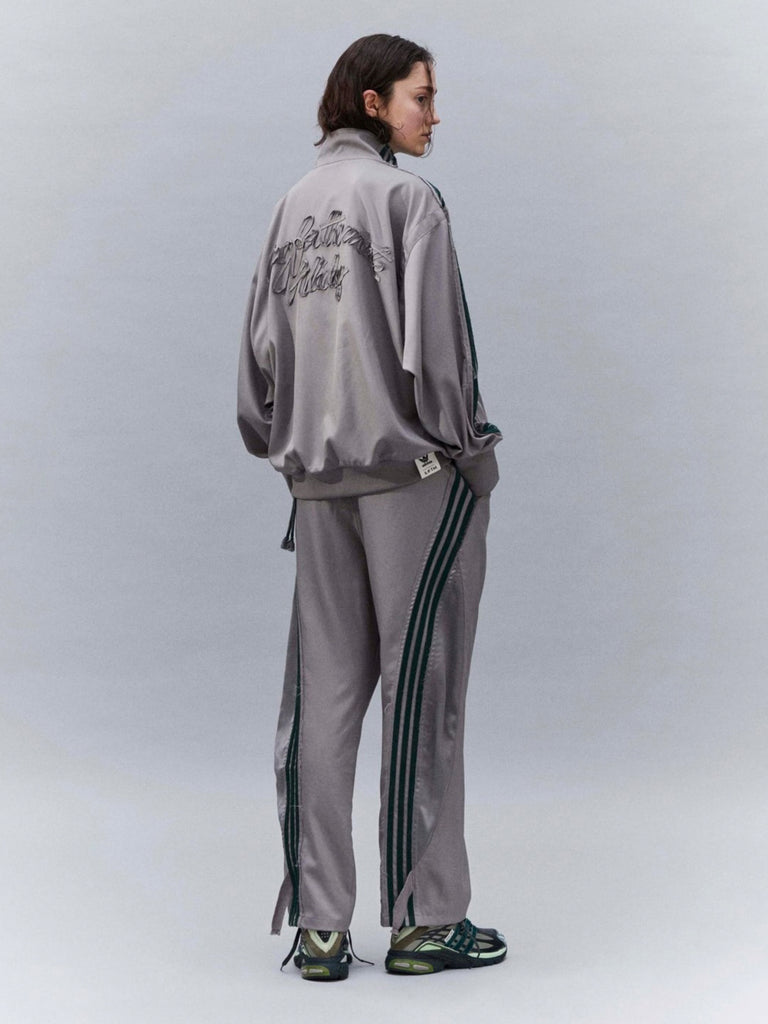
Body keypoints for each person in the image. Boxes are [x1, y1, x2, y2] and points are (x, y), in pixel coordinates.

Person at [237, 33, 506, 981]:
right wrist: (474, 456)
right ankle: (424, 922)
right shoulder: (408, 202)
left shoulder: (289, 206)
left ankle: (319, 928)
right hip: (411, 483)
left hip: (317, 489)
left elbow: (256, 377)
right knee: (420, 692)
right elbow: (442, 360)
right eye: (421, 97)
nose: (434, 115)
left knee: (324, 694)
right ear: (371, 102)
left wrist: (292, 450)